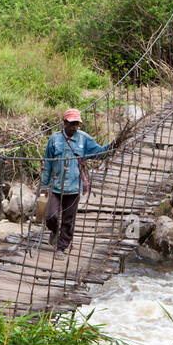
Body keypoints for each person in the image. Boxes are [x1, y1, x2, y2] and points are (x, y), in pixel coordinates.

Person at [38, 108, 109, 252]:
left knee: (68, 220)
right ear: (64, 122)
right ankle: (54, 231)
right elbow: (48, 162)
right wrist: (44, 185)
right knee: (51, 215)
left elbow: (99, 153)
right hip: (55, 185)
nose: (74, 127)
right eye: (71, 124)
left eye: (76, 124)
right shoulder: (54, 139)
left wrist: (113, 146)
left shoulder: (84, 139)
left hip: (74, 186)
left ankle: (61, 248)